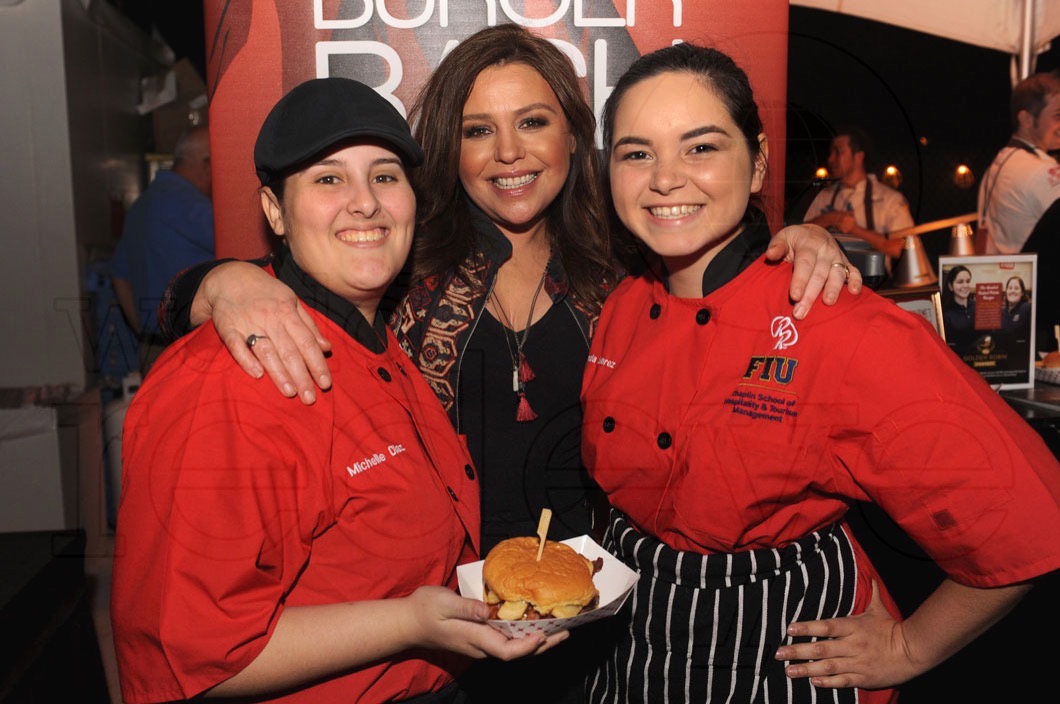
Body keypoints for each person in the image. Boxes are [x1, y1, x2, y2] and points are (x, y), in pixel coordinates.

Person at [158, 25, 861, 703]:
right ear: (448, 149)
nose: (507, 153)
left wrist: (795, 241)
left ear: (572, 136)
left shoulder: (630, 264)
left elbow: (724, 285)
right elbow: (253, 299)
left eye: (532, 122)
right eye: (477, 130)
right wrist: (218, 283)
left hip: (602, 627)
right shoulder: (398, 262)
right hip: (433, 640)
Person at [580, 42, 1060, 704]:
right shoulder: (622, 308)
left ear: (758, 165)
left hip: (775, 659)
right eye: (637, 153)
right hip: (631, 651)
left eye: (701, 147)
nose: (664, 178)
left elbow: (1027, 521)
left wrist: (907, 647)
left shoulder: (838, 323)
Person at [109, 77, 566, 704]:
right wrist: (408, 622)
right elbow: (189, 655)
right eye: (328, 179)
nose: (366, 204)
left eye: (384, 176)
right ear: (275, 211)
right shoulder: (229, 380)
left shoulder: (377, 337)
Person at [111, 124, 215, 373]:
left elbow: (118, 276)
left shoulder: (141, 205)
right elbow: (245, 252)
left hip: (153, 350)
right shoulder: (191, 207)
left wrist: (145, 332)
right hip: (190, 350)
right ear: (206, 162)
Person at [803, 126, 914, 269]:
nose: (831, 159)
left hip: (873, 281)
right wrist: (831, 218)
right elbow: (802, 234)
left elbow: (901, 248)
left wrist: (854, 230)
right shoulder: (824, 196)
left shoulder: (889, 199)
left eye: (839, 152)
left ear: (859, 157)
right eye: (831, 152)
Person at [977, 71, 1060, 255]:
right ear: (1027, 119)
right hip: (1040, 280)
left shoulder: (998, 165)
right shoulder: (1042, 171)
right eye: (1058, 115)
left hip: (1007, 278)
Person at [940, 264, 976, 356]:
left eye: (968, 281)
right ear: (950, 286)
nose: (965, 285)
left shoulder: (977, 306)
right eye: (960, 282)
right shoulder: (946, 314)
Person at [1000, 275, 1032, 340]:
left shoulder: (1027, 308)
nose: (1012, 291)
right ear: (1006, 291)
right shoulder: (1002, 312)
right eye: (1010, 288)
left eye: (1016, 288)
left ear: (1022, 292)